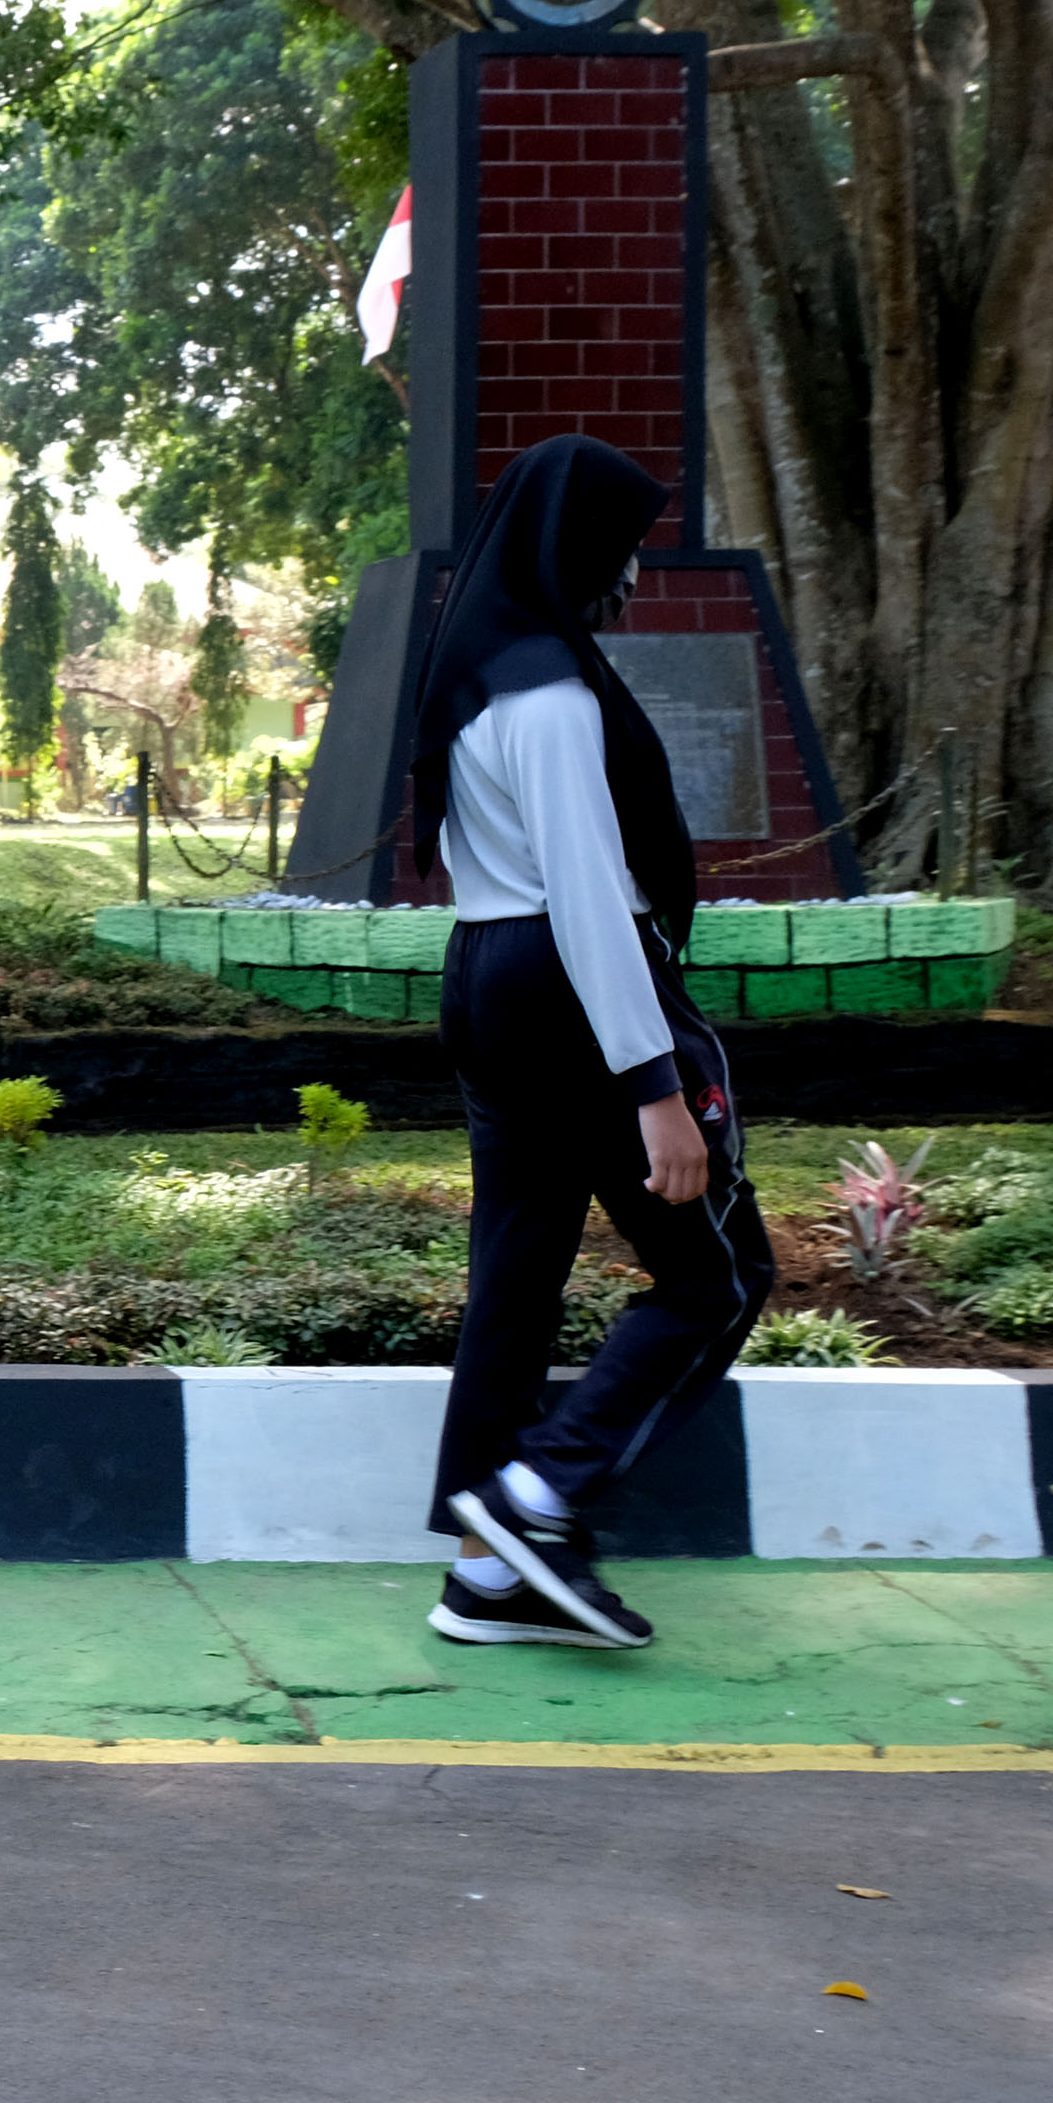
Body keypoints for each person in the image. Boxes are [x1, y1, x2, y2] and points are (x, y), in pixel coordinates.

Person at [415, 433, 774, 1651]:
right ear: (576, 549)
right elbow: (586, 895)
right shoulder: (554, 697)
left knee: (514, 1284)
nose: (628, 576)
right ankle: (540, 1493)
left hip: (485, 976)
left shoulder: (476, 663)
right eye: (620, 550)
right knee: (717, 1278)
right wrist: (654, 1084)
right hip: (570, 987)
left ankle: (485, 1576)